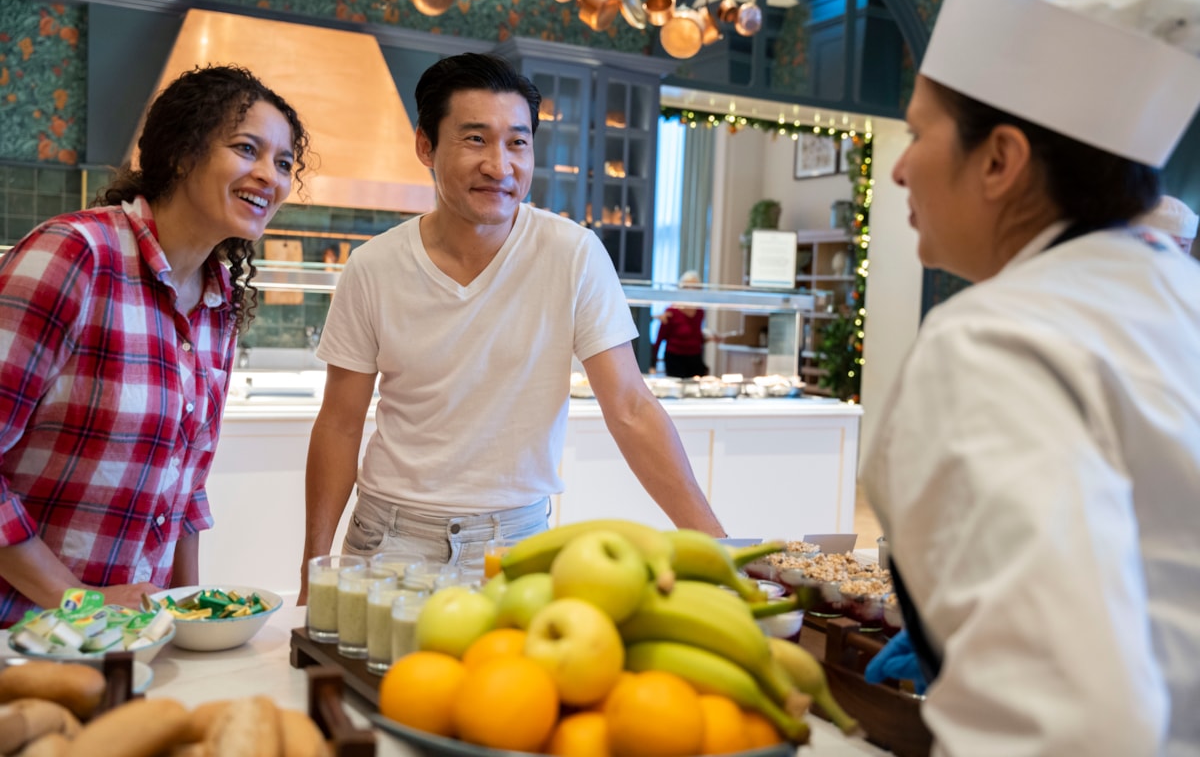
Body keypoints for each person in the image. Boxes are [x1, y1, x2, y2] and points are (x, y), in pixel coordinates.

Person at [860, 0, 1200, 755]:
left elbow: (1065, 727)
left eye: (918, 133)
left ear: (999, 160)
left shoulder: (995, 340)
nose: (900, 169)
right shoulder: (1174, 296)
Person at [301, 53, 725, 598]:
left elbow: (631, 406)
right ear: (425, 146)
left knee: (514, 686)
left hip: (518, 545)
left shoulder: (572, 254)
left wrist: (716, 548)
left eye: (517, 142)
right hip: (390, 539)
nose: (500, 165)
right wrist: (314, 565)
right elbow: (339, 422)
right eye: (475, 139)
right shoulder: (373, 267)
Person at [0, 65, 308, 626]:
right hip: (26, 633)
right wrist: (81, 604)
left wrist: (193, 622)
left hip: (134, 635)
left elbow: (184, 494)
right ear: (182, 152)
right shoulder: (76, 254)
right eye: (247, 149)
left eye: (284, 163)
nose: (271, 176)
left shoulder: (219, 305)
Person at [653, 269, 717, 378]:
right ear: (681, 288)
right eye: (688, 287)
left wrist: (708, 338)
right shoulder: (671, 311)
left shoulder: (699, 311)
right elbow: (659, 339)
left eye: (696, 287)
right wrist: (653, 364)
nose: (692, 290)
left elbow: (695, 337)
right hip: (675, 359)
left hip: (695, 358)